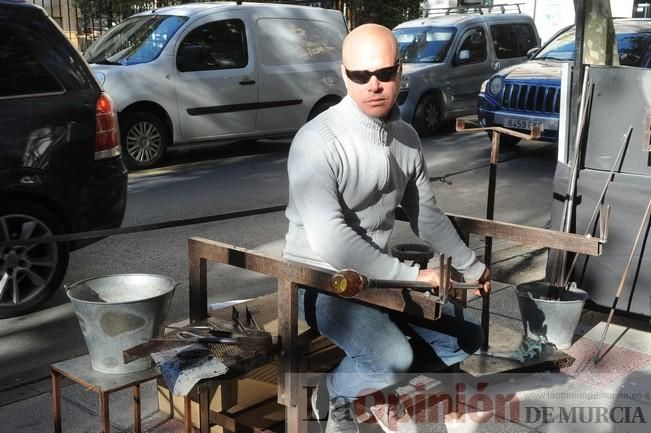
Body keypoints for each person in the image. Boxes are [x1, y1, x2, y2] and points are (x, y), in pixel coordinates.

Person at [283, 23, 491, 433]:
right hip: (320, 281)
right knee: (391, 358)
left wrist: (471, 266)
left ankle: (372, 389)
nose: (373, 84)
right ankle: (333, 391)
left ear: (400, 71)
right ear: (344, 75)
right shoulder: (317, 141)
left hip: (378, 278)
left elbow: (426, 214)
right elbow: (331, 239)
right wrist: (414, 276)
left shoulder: (407, 138)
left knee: (464, 337)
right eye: (361, 75)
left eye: (384, 73)